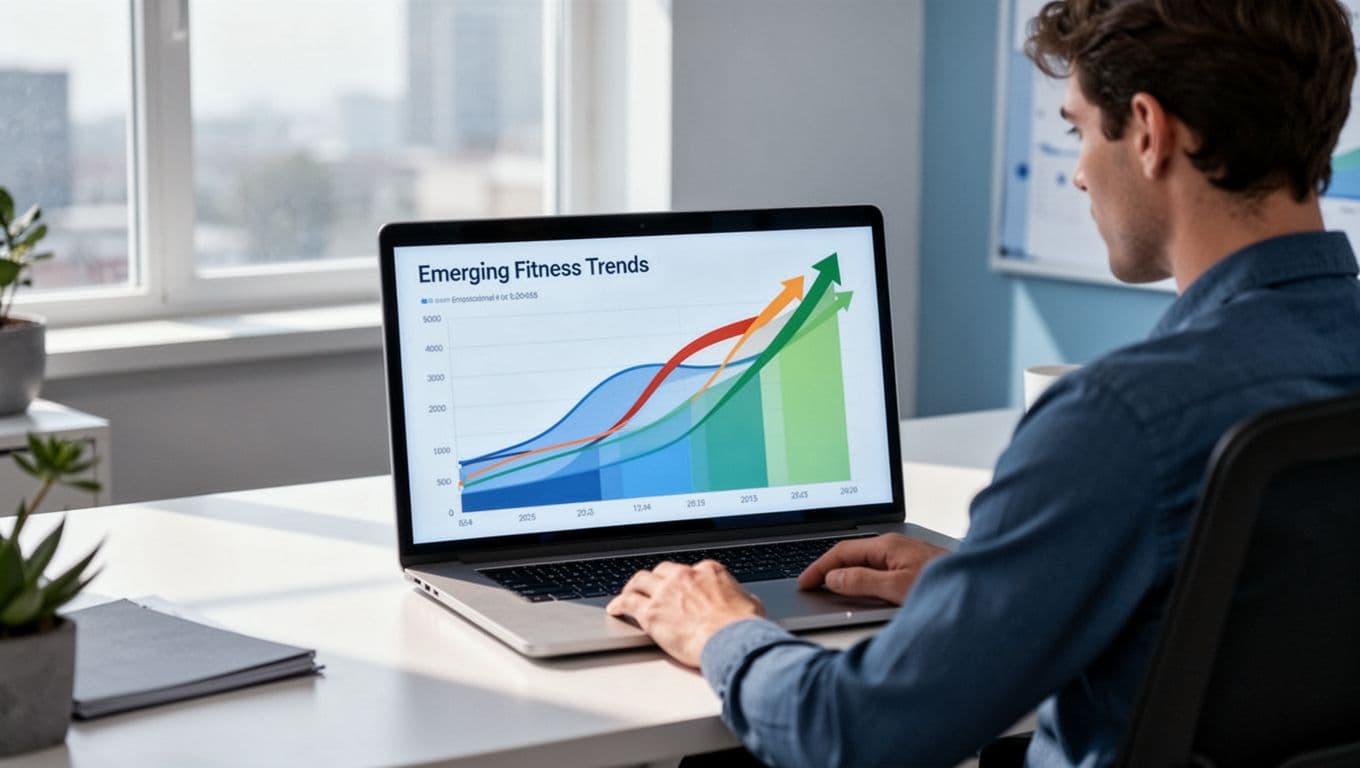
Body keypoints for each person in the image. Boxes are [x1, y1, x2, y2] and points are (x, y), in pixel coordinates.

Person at [604, 1, 1360, 765]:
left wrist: (721, 630)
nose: (1078, 175)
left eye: (1078, 130)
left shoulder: (1121, 420)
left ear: (1147, 132)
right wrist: (988, 592)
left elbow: (852, 734)